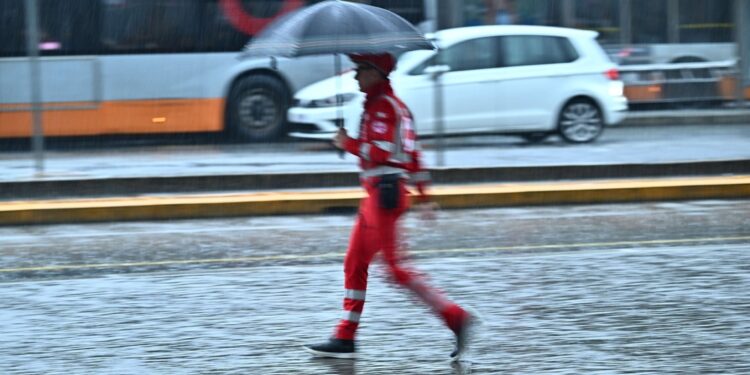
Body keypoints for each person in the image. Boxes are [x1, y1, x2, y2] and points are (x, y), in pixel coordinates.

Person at [303, 53, 477, 361]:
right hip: (378, 196)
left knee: (396, 269)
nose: (355, 77)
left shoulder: (383, 107)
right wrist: (423, 196)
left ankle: (456, 317)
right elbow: (414, 156)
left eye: (360, 71)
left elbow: (380, 153)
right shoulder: (387, 105)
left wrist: (349, 144)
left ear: (377, 73)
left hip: (384, 197)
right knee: (355, 263)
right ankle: (345, 336)